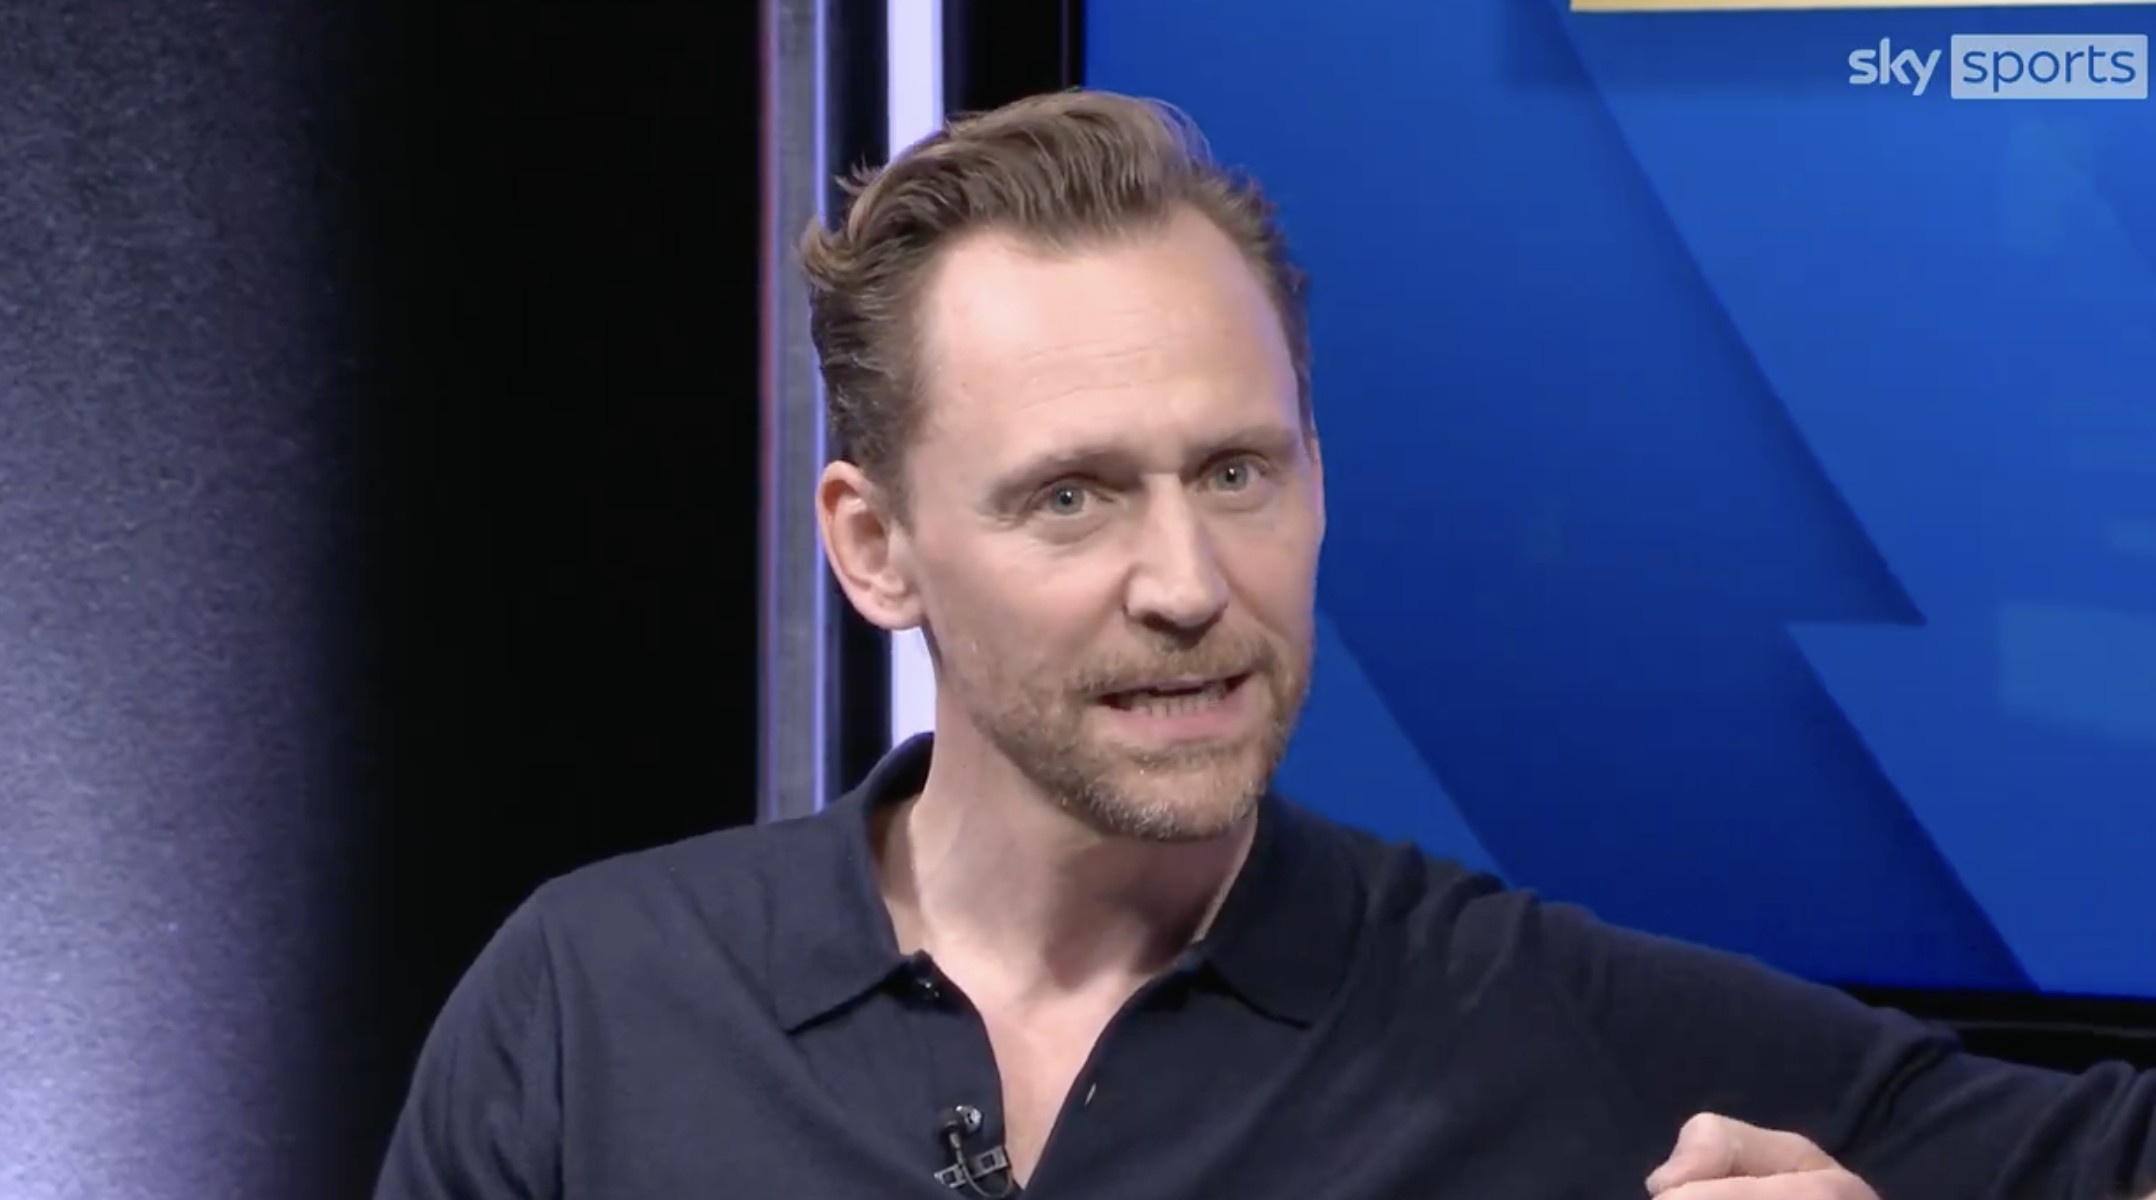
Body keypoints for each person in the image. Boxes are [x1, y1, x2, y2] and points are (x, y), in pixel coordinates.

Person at [372, 89, 2156, 1200]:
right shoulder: (595, 1004)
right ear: (875, 547)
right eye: (1070, 497)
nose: (1186, 581)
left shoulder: (1530, 1018)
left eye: (1238, 472)